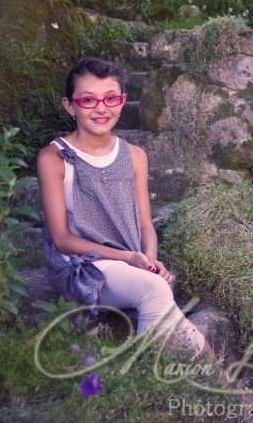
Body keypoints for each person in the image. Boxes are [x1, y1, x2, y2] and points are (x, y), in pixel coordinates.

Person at [37, 57, 213, 360]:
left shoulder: (133, 156)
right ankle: (147, 380)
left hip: (130, 263)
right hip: (84, 267)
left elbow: (146, 224)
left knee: (157, 290)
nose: (101, 108)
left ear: (122, 102)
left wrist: (150, 261)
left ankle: (236, 396)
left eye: (111, 98)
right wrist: (129, 259)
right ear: (70, 105)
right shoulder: (56, 158)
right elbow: (62, 238)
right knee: (155, 292)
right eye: (88, 100)